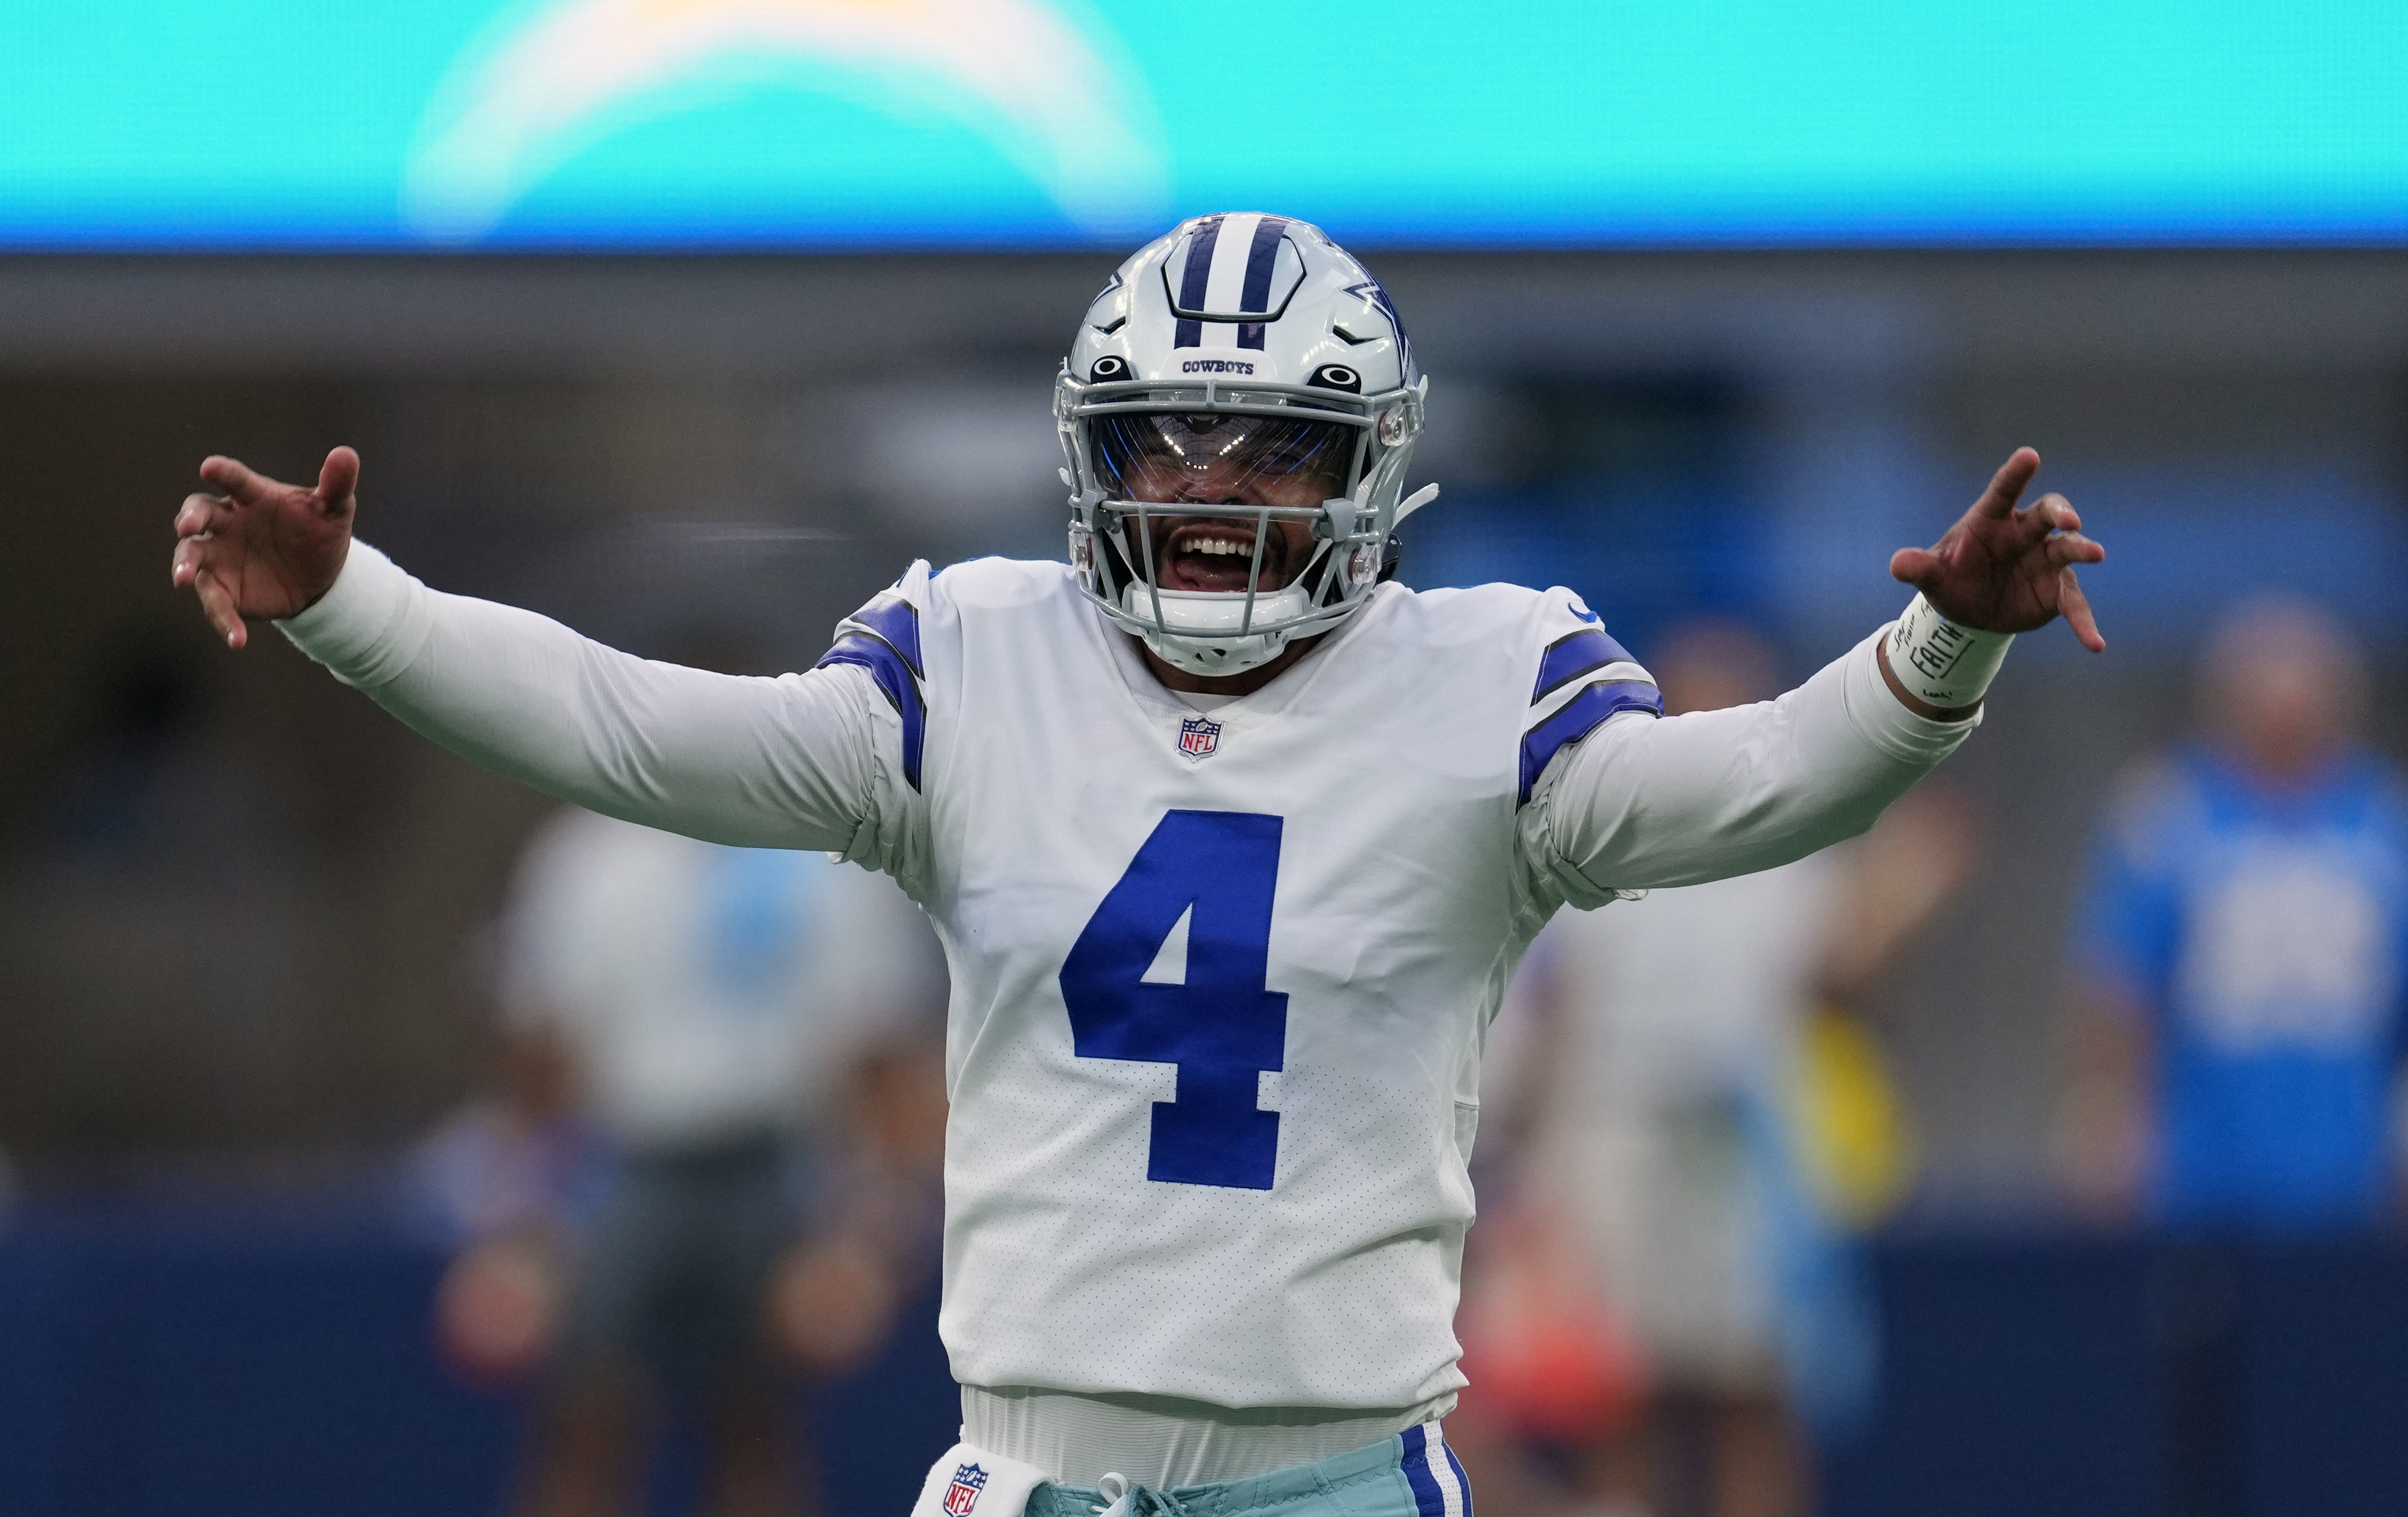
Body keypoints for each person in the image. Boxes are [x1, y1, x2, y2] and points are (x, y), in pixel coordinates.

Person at [169, 214, 2104, 1517]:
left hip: (1341, 1472)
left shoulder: (1480, 680)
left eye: (1271, 445)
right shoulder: (975, 658)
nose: (1209, 483)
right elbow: (630, 729)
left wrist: (1940, 647)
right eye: (1170, 436)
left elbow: (1757, 787)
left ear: (1369, 465)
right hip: (1031, 1470)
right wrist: (359, 600)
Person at [1486, 620, 1976, 1517]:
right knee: (1617, 1396)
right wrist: (1525, 1152)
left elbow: (1837, 970)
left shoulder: (1792, 841)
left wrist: (1907, 892)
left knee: (1753, 1393)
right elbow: (1555, 1002)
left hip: (1744, 1144)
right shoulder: (1595, 826)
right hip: (1614, 1134)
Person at [421, 805, 941, 1517]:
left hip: (779, 1170)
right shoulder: (586, 854)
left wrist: (863, 1239)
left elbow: (878, 1062)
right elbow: (539, 1052)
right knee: (588, 1421)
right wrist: (516, 1229)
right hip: (624, 1171)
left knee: (757, 1429)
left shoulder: (833, 860)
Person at [2060, 596, 2408, 1233]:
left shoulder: (2383, 824)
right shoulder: (2166, 816)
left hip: (2346, 1166)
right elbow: (2117, 980)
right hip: (2199, 1167)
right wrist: (2107, 1114)